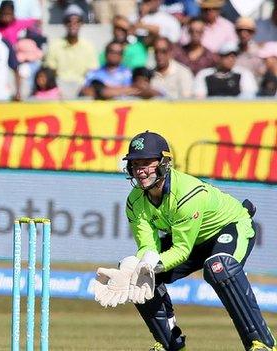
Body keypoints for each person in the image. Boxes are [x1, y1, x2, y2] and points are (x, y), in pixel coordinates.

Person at [93, 131, 276, 351]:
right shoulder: (135, 201)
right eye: (135, 164)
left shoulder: (186, 194)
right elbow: (148, 247)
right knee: (140, 276)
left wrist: (149, 264)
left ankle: (263, 344)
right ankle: (171, 344)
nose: (140, 170)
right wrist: (132, 270)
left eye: (147, 163)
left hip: (229, 227)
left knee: (220, 268)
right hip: (191, 240)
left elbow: (181, 249)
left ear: (164, 163)